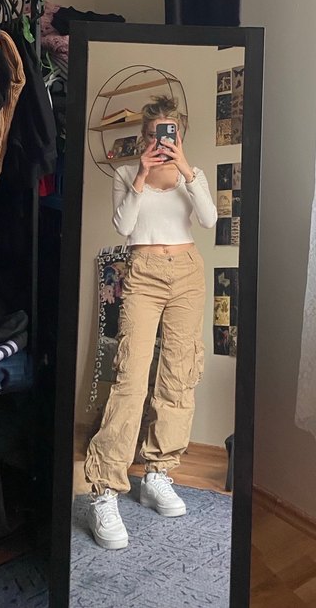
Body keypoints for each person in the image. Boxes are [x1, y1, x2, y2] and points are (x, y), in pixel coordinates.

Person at [85, 95, 217, 550]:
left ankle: (158, 472)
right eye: (154, 134)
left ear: (179, 135)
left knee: (179, 373)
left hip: (188, 273)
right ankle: (105, 490)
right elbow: (124, 227)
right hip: (142, 273)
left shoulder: (192, 175)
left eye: (170, 133)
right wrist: (141, 175)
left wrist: (186, 170)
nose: (161, 141)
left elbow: (209, 219)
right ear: (144, 137)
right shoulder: (126, 174)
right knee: (130, 377)